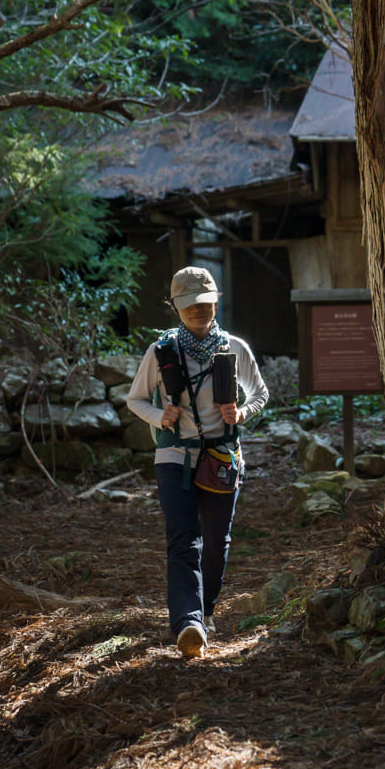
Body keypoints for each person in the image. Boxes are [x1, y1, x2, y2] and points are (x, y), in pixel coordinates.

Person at [126, 265, 269, 659]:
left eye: (205, 303)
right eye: (190, 305)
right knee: (183, 540)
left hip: (223, 457)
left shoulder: (234, 348)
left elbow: (260, 393)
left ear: (216, 301)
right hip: (174, 457)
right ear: (174, 306)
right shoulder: (161, 352)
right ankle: (188, 622)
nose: (198, 311)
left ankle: (203, 617)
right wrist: (160, 417)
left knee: (216, 545)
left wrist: (241, 414)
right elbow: (135, 399)